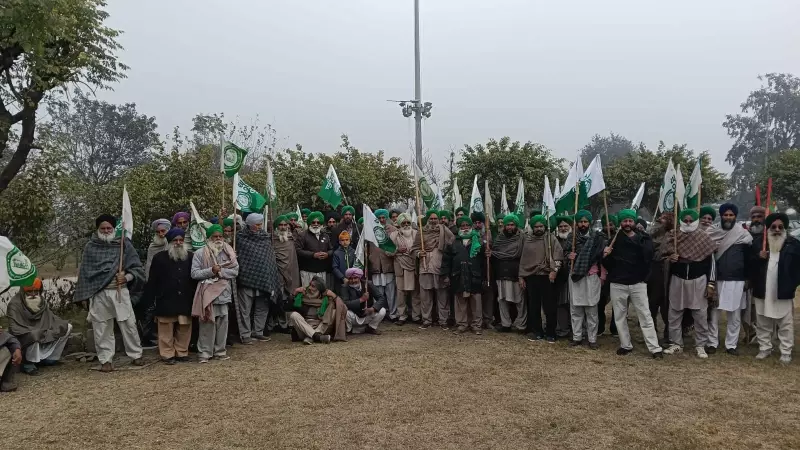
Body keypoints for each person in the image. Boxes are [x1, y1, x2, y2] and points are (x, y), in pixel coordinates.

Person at [74, 214, 145, 372]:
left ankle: (136, 355)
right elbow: (85, 273)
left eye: (109, 228)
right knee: (102, 327)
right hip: (99, 293)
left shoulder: (123, 245)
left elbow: (137, 269)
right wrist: (86, 296)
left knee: (128, 324)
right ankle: (106, 360)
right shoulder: (91, 247)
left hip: (119, 292)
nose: (106, 231)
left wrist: (126, 277)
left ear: (114, 228)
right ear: (97, 229)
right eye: (103, 228)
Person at [602, 209, 663, 358]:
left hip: (638, 283)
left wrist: (644, 278)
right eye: (624, 221)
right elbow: (607, 264)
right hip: (618, 283)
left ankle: (654, 348)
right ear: (620, 223)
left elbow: (648, 258)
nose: (627, 224)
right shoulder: (614, 240)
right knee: (619, 316)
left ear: (634, 222)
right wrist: (605, 255)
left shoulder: (644, 238)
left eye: (630, 221)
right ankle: (625, 345)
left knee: (645, 315)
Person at [662, 209, 717, 358]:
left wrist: (711, 284)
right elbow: (661, 257)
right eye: (684, 220)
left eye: (690, 221)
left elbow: (712, 264)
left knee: (700, 315)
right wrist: (670, 259)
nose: (687, 223)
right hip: (677, 279)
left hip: (698, 280)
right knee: (674, 313)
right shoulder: (672, 236)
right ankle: (676, 344)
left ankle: (700, 345)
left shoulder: (704, 238)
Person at [141, 228, 195, 364]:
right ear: (170, 242)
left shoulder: (190, 256)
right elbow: (152, 280)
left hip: (185, 298)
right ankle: (167, 354)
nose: (178, 243)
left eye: (181, 240)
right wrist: (151, 299)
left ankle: (182, 352)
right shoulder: (159, 257)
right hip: (165, 298)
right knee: (166, 328)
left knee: (184, 327)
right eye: (175, 240)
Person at [751, 213, 800, 364]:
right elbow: (749, 266)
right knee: (762, 321)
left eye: (780, 227)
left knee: (785, 323)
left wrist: (792, 284)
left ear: (784, 228)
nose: (777, 230)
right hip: (762, 288)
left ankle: (785, 351)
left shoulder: (793, 244)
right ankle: (764, 348)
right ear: (768, 228)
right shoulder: (759, 243)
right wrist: (758, 258)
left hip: (783, 289)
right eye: (773, 227)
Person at [706, 203, 752, 356]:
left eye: (731, 215)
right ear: (721, 215)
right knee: (714, 313)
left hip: (737, 280)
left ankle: (731, 345)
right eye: (725, 215)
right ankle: (712, 343)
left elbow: (748, 258)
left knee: (735, 314)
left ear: (735, 216)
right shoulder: (711, 232)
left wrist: (747, 278)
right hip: (717, 279)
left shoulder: (742, 234)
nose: (728, 217)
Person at [191, 224, 239, 363]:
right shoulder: (200, 253)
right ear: (209, 238)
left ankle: (220, 351)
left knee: (222, 324)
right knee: (207, 323)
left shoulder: (229, 252)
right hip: (207, 294)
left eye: (220, 236)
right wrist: (211, 271)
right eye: (215, 236)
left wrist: (220, 272)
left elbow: (235, 271)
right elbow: (194, 273)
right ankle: (205, 353)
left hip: (224, 293)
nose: (218, 239)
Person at [6, 278, 72, 375]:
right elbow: (14, 328)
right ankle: (28, 363)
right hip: (24, 336)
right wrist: (36, 331)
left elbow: (51, 317)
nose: (33, 294)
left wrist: (61, 323)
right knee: (34, 334)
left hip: (41, 332)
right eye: (29, 291)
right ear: (23, 291)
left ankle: (50, 359)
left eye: (36, 291)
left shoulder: (41, 301)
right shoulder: (14, 304)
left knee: (67, 327)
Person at [235, 213, 280, 344]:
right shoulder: (239, 238)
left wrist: (271, 277)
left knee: (262, 306)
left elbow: (269, 259)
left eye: (261, 224)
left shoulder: (266, 238)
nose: (260, 227)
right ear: (249, 225)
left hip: (264, 279)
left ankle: (258, 332)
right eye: (257, 225)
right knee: (245, 309)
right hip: (247, 278)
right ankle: (245, 335)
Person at [563, 210, 605, 349]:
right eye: (580, 222)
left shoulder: (598, 238)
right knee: (575, 309)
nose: (582, 224)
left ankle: (592, 339)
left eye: (585, 221)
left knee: (591, 309)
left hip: (591, 276)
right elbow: (565, 254)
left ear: (589, 222)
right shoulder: (572, 237)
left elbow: (600, 257)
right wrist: (570, 256)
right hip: (575, 276)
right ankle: (577, 337)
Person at [520, 215, 563, 342]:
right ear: (533, 227)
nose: (539, 228)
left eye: (541, 226)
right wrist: (521, 276)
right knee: (534, 306)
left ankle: (551, 332)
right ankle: (537, 331)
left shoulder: (551, 239)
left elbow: (558, 257)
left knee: (549, 306)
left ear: (545, 226)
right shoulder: (528, 241)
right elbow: (524, 260)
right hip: (532, 277)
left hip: (547, 276)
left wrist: (554, 271)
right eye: (536, 226)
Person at [441, 216, 485, 335]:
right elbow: (446, 260)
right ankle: (462, 324)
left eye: (467, 226)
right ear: (459, 227)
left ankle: (476, 325)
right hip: (458, 275)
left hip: (474, 276)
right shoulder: (453, 242)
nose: (465, 228)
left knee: (476, 302)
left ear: (471, 227)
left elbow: (484, 262)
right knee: (460, 301)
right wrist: (446, 275)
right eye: (462, 226)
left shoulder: (479, 241)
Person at [414, 210, 455, 329]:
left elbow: (452, 241)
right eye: (431, 219)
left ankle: (443, 321)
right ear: (427, 219)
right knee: (425, 297)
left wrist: (445, 250)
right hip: (425, 266)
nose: (433, 221)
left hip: (440, 266)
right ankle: (427, 320)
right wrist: (418, 253)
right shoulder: (421, 232)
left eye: (435, 218)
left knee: (442, 296)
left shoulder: (443, 230)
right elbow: (413, 249)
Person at [491, 213, 526, 333]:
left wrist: (522, 275)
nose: (510, 227)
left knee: (520, 301)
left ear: (516, 225)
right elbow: (495, 253)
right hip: (501, 273)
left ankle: (521, 325)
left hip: (517, 274)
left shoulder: (523, 238)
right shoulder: (499, 238)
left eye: (512, 225)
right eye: (508, 225)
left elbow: (525, 256)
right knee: (502, 300)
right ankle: (506, 324)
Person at [287, 277, 347, 344]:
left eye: (313, 286)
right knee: (294, 315)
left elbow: (343, 308)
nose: (309, 288)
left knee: (333, 312)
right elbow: (288, 307)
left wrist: (334, 296)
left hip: (320, 328)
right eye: (310, 285)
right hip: (304, 327)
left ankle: (311, 337)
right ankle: (317, 337)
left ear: (319, 289)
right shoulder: (302, 296)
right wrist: (294, 293)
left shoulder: (326, 299)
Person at [648, 212, 674, 343]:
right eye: (660, 217)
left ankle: (669, 335)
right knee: (652, 305)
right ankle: (652, 335)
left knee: (667, 308)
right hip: (654, 273)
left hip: (669, 275)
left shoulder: (674, 236)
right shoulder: (651, 235)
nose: (660, 219)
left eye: (664, 218)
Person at [271, 215, 300, 333]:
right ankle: (279, 323)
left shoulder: (292, 238)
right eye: (280, 225)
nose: (283, 227)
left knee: (290, 299)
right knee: (279, 299)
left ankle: (289, 323)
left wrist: (295, 227)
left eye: (285, 225)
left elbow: (301, 233)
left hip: (291, 272)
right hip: (278, 274)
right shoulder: (272, 240)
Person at [743, 205, 767, 342]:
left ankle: (762, 336)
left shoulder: (770, 235)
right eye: (754, 217)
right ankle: (749, 332)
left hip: (762, 279)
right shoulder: (746, 234)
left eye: (759, 216)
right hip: (746, 277)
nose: (756, 220)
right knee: (745, 309)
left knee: (759, 310)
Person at [389, 213, 418, 325]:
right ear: (399, 224)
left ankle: (416, 316)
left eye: (408, 223)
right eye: (403, 223)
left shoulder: (416, 234)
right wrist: (397, 250)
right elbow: (387, 252)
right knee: (401, 293)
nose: (406, 225)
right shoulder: (393, 236)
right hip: (400, 267)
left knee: (415, 292)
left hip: (413, 266)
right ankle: (402, 316)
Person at [340, 268, 388, 334]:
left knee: (382, 310)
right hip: (353, 315)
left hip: (367, 313)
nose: (353, 281)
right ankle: (349, 330)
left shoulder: (368, 284)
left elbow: (381, 298)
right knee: (345, 312)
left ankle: (371, 328)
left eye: (355, 278)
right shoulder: (344, 287)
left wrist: (373, 309)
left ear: (359, 278)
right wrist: (361, 300)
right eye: (350, 278)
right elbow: (345, 303)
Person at [369, 209, 397, 321]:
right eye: (379, 218)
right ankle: (379, 314)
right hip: (376, 266)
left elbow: (396, 247)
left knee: (391, 293)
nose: (381, 220)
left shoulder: (393, 230)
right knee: (378, 293)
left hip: (388, 266)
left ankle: (393, 314)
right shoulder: (370, 231)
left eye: (383, 217)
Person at [471, 211, 496, 328]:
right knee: (476, 296)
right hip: (474, 268)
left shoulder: (489, 233)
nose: (477, 225)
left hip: (488, 267)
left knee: (488, 294)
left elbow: (495, 248)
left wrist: (489, 251)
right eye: (475, 222)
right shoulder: (469, 234)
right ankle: (477, 320)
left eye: (479, 222)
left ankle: (488, 319)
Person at [296, 211, 334, 287]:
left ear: (321, 224)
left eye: (318, 222)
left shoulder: (325, 236)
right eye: (313, 222)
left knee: (321, 294)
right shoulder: (302, 235)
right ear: (310, 223)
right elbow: (298, 250)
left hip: (321, 271)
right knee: (308, 294)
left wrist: (327, 254)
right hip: (307, 271)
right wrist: (313, 255)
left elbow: (331, 250)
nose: (316, 224)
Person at [598, 214, 618, 336]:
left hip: (616, 274)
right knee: (600, 302)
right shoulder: (598, 237)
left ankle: (615, 328)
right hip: (601, 274)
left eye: (611, 224)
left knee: (617, 303)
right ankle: (600, 326)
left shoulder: (620, 237)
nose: (608, 227)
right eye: (606, 225)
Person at [554, 216, 573, 339]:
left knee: (574, 303)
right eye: (561, 226)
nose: (563, 228)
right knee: (561, 303)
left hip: (574, 277)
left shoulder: (576, 240)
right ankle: (562, 329)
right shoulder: (554, 241)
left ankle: (575, 329)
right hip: (559, 277)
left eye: (565, 226)